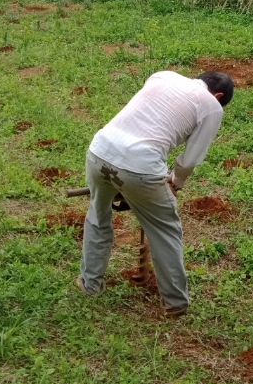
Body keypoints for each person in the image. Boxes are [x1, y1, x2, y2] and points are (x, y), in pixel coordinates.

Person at [77, 70, 234, 317]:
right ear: (218, 95)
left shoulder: (163, 76)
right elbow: (190, 159)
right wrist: (177, 182)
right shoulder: (212, 106)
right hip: (141, 166)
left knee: (97, 217)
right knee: (165, 231)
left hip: (99, 152)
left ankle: (89, 284)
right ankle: (175, 303)